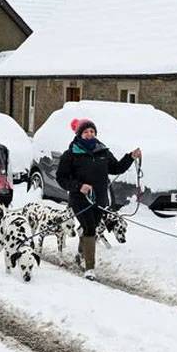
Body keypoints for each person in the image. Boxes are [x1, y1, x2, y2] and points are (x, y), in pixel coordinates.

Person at [56, 118, 141, 281]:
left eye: (92, 131)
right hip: (80, 199)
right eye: (86, 132)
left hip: (100, 199)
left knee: (92, 227)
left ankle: (81, 254)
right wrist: (78, 186)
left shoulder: (103, 152)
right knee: (89, 228)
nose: (89, 134)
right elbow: (61, 178)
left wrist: (130, 157)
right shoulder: (71, 154)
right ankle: (90, 268)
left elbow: (116, 168)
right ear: (79, 134)